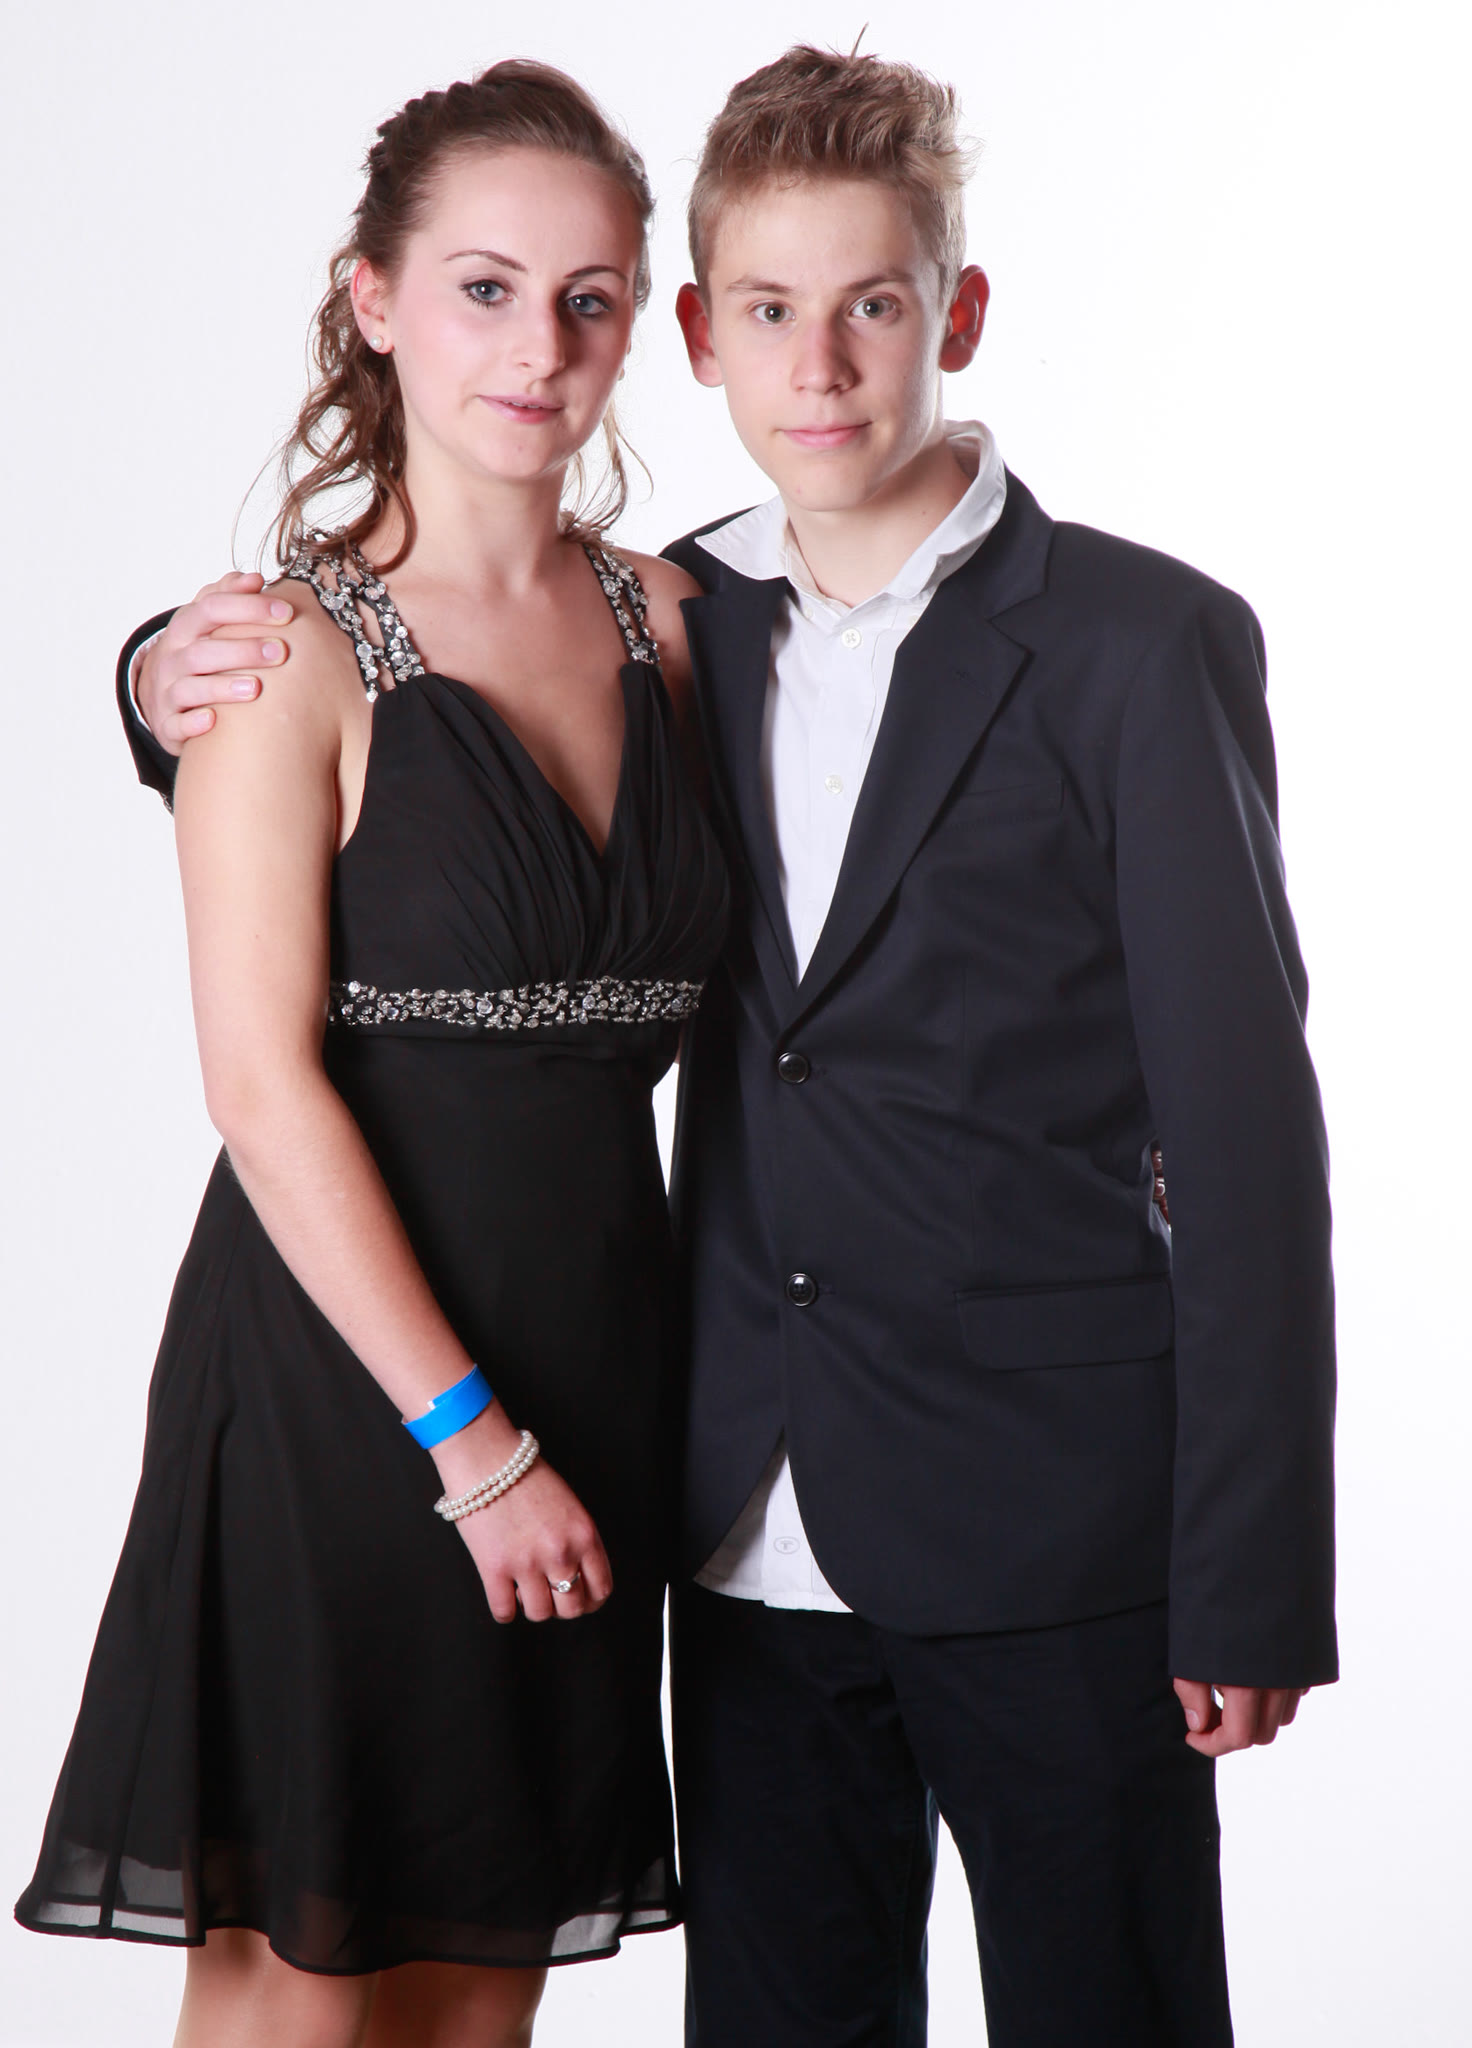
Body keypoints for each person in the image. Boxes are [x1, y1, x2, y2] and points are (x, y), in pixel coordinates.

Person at [110, 42, 1337, 2048]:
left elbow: (1250, 1141)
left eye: (872, 307)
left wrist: (1255, 1569)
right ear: (702, 336)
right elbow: (346, 835)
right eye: (766, 312)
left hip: (997, 1503)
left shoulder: (1043, 638)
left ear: (955, 312)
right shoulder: (676, 619)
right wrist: (156, 674)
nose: (820, 368)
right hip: (652, 1485)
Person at [16, 60, 726, 2048]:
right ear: (375, 299)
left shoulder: (684, 624)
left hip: (604, 1361)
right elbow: (259, 1089)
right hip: (355, 1392)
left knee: (485, 1993)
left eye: (588, 299)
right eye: (485, 288)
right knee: (299, 1994)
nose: (538, 347)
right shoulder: (278, 654)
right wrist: (472, 1449)